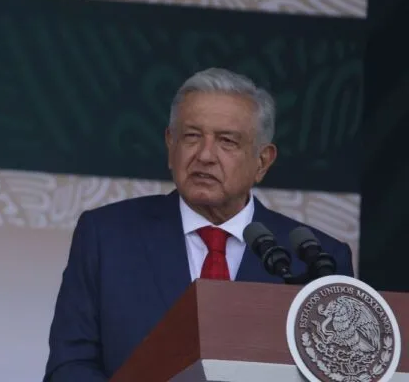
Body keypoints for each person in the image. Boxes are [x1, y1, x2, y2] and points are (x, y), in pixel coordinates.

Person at [42, 68, 355, 381]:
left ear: (262, 161)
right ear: (171, 145)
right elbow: (69, 367)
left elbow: (342, 370)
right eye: (192, 136)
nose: (205, 155)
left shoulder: (317, 260)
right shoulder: (106, 236)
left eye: (227, 141)